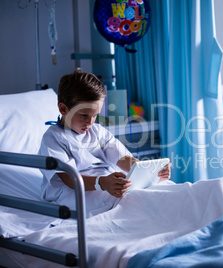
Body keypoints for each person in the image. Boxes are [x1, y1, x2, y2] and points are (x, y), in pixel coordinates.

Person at [39, 68, 171, 216]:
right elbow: (68, 178)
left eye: (95, 115)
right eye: (84, 115)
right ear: (63, 109)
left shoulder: (97, 131)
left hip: (105, 182)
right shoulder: (53, 138)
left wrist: (150, 171)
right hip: (72, 190)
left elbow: (122, 158)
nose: (90, 122)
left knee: (157, 193)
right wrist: (101, 183)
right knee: (125, 203)